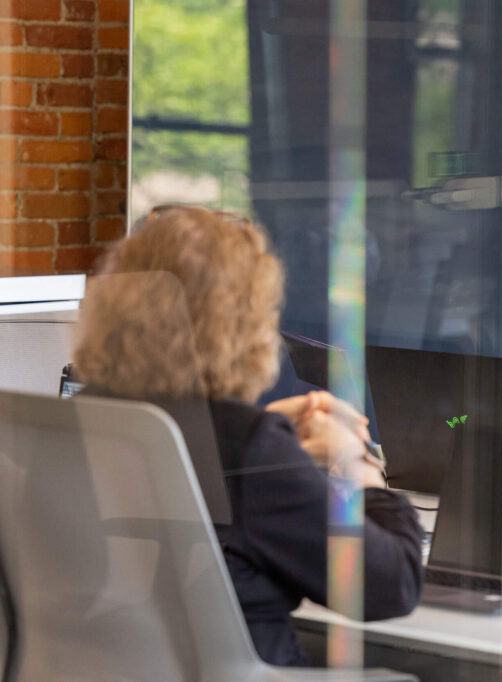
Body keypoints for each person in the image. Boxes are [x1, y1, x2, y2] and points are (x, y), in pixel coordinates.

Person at [72, 205, 423, 666]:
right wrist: (358, 464)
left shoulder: (81, 421)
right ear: (242, 324)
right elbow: (392, 584)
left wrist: (273, 433)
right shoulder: (250, 450)